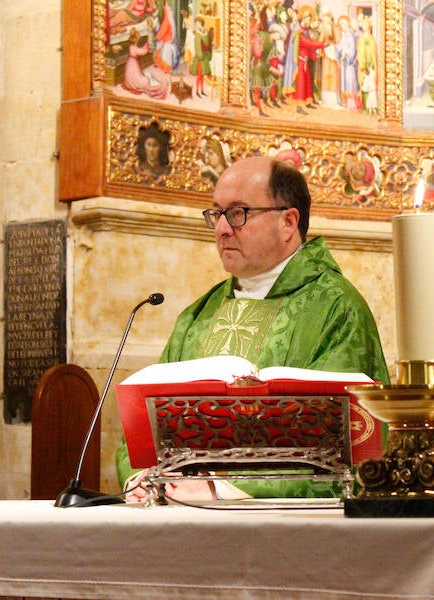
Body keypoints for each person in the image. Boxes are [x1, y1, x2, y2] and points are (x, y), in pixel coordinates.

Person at [117, 155, 390, 500]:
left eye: (238, 213)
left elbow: (344, 451)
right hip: (181, 516)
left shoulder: (336, 308)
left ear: (288, 222)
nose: (221, 229)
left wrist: (223, 490)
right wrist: (144, 479)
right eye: (216, 214)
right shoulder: (198, 317)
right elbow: (143, 428)